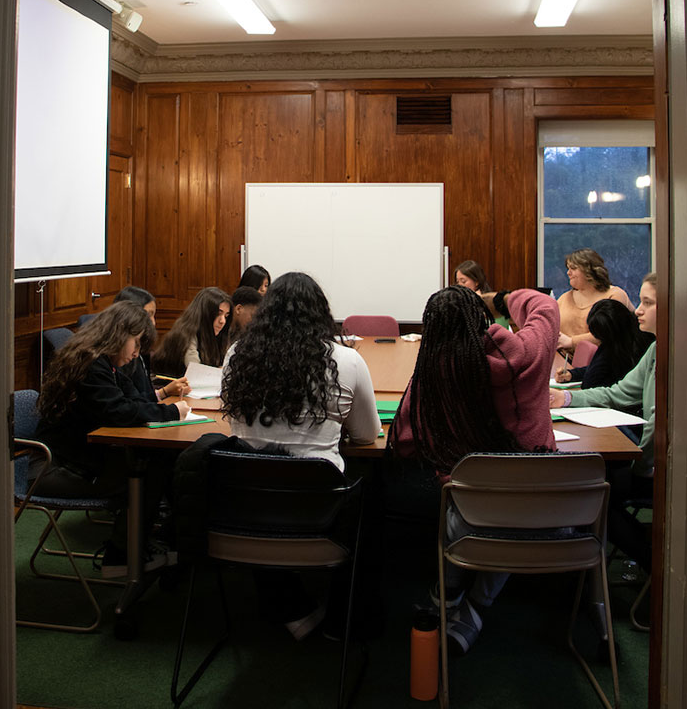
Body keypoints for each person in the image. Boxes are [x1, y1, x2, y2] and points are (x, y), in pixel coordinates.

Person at [390, 284, 558, 654]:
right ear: (482, 320)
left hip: (470, 521)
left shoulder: (435, 374)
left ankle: (446, 595)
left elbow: (403, 441)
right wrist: (499, 299)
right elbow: (545, 306)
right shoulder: (530, 352)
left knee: (467, 504)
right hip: (553, 515)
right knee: (512, 505)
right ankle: (476, 606)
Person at [221, 271, 381, 638]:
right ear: (320, 314)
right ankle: (346, 621)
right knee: (373, 489)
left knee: (266, 482)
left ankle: (287, 603)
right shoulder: (346, 361)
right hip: (319, 513)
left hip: (243, 510)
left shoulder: (236, 355)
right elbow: (366, 436)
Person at [33, 301, 189, 576]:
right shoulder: (91, 365)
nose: (136, 353)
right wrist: (172, 412)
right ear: (120, 334)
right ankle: (121, 556)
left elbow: (134, 399)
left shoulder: (104, 363)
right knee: (151, 469)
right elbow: (118, 411)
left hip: (82, 459)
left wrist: (163, 405)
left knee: (160, 460)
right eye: (136, 344)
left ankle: (141, 545)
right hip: (56, 468)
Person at [549, 272, 657, 571]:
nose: (638, 309)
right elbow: (618, 393)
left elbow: (656, 426)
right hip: (648, 460)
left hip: (658, 469)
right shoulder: (655, 350)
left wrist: (640, 467)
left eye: (648, 302)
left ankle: (654, 567)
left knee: (596, 496)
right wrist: (567, 399)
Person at [556, 297, 652, 389]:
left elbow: (590, 382)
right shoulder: (626, 332)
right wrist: (572, 374)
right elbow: (599, 369)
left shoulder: (620, 348)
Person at [556, 248, 632, 352]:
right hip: (562, 361)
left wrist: (571, 342)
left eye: (573, 268)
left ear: (590, 271)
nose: (568, 273)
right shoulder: (564, 298)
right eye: (568, 268)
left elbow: (610, 334)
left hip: (602, 362)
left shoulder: (614, 295)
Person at [151, 287, 231, 377]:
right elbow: (196, 372)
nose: (222, 321)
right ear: (205, 313)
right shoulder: (185, 334)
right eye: (218, 313)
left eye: (226, 316)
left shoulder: (219, 336)